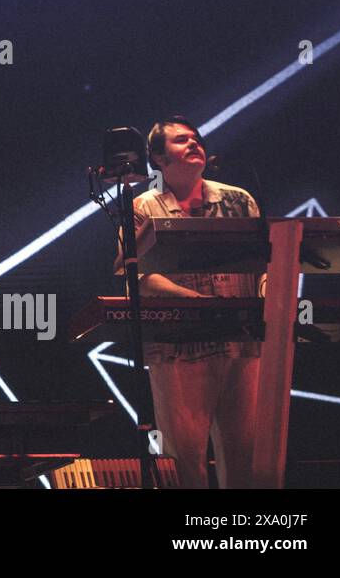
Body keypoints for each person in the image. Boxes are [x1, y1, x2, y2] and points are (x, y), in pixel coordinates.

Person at [117, 115, 264, 487]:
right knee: (181, 458)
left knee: (245, 454)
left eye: (196, 138)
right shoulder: (141, 208)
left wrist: (267, 295)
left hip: (241, 342)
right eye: (182, 140)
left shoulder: (238, 199)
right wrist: (192, 300)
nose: (195, 143)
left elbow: (267, 261)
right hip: (176, 346)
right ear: (158, 159)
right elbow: (131, 274)